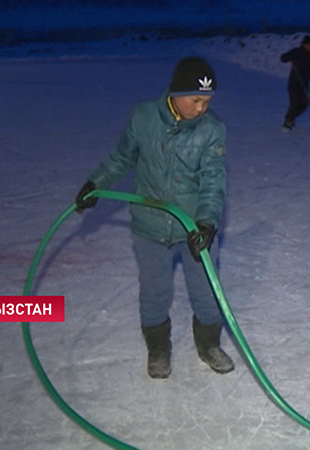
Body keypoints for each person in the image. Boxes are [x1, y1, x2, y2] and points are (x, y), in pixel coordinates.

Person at [74, 56, 234, 378]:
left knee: (206, 289)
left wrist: (206, 223)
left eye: (207, 101)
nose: (202, 108)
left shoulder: (212, 130)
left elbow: (213, 182)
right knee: (154, 290)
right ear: (176, 93)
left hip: (193, 229)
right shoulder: (143, 117)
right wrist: (96, 184)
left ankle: (209, 344)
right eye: (196, 99)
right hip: (150, 226)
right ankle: (158, 348)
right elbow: (121, 158)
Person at [280, 35, 310, 131]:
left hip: (304, 82)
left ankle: (292, 118)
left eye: (309, 45)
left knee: (304, 104)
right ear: (303, 44)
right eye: (306, 44)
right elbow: (282, 58)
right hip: (294, 82)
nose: (308, 46)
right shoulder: (297, 52)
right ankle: (288, 121)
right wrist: (289, 57)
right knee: (294, 103)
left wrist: (305, 78)